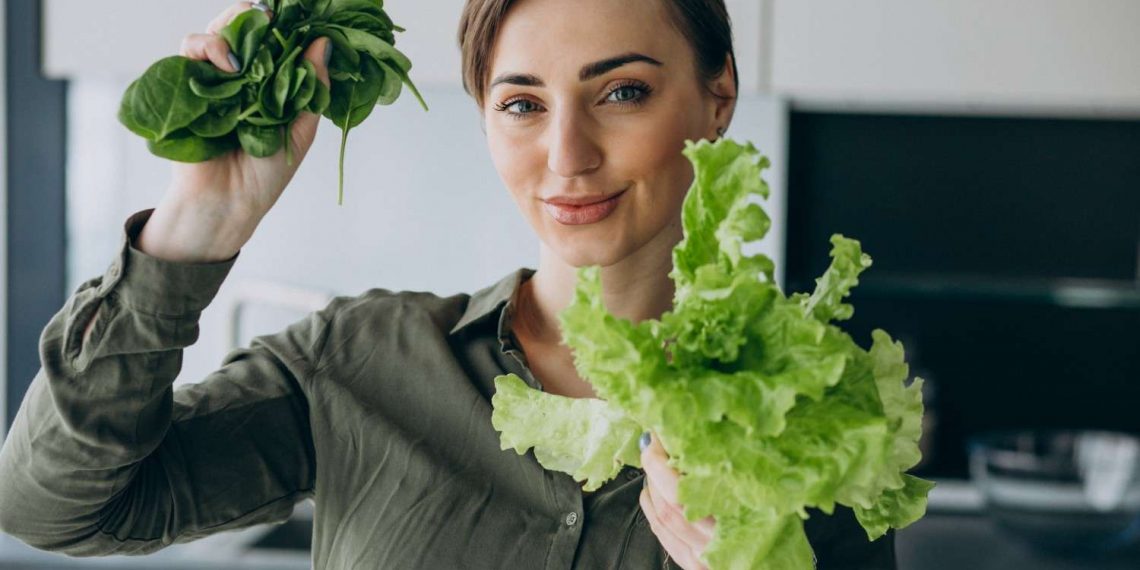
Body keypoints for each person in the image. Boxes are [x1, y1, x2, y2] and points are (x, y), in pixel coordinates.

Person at [0, 0, 896, 568]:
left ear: (717, 95)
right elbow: (51, 509)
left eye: (622, 92)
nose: (567, 156)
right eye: (522, 104)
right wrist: (195, 231)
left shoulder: (810, 413)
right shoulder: (357, 363)